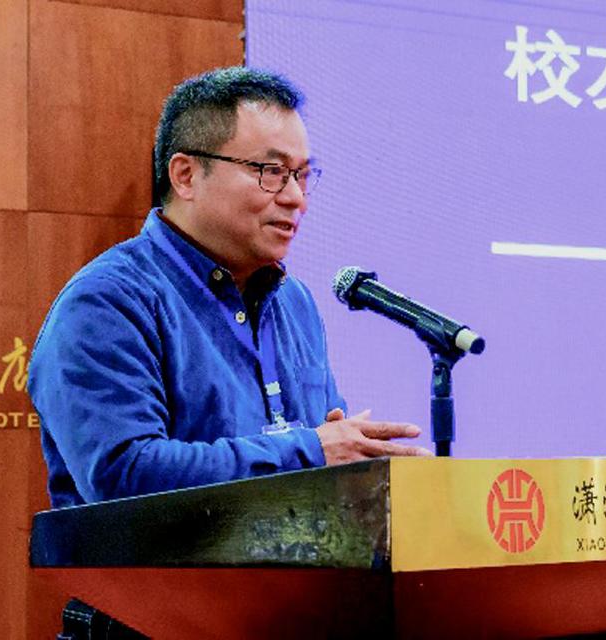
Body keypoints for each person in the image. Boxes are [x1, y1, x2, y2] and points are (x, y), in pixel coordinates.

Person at [28, 67, 430, 508]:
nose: (296, 197)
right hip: (162, 557)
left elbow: (323, 446)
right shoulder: (108, 302)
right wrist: (311, 452)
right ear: (186, 175)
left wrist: (350, 462)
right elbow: (125, 474)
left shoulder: (293, 301)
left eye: (302, 175)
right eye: (272, 171)